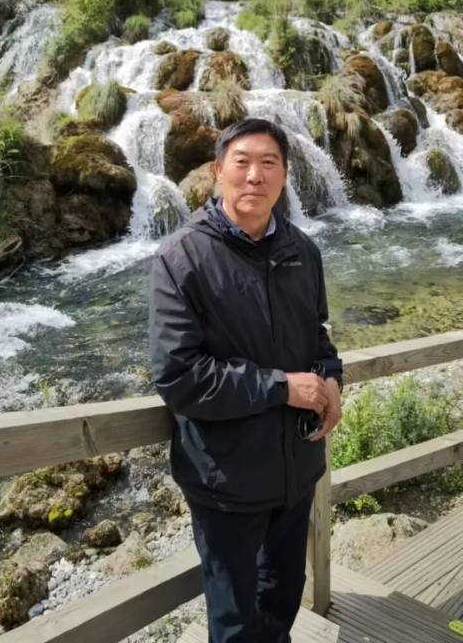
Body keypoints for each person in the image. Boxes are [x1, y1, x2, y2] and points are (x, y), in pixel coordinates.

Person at [149, 118, 343, 643]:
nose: (255, 175)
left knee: (282, 597)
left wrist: (331, 380)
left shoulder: (303, 251)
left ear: (285, 176)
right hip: (226, 481)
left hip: (297, 470)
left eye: (268, 163)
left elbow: (318, 337)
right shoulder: (181, 258)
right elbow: (178, 375)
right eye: (242, 162)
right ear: (218, 172)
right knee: (234, 621)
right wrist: (282, 387)